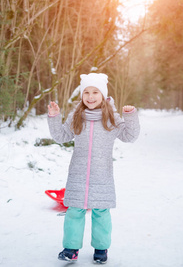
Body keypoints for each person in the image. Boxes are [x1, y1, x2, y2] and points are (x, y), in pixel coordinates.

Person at [47, 73, 140, 264]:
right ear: (82, 95)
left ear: (103, 94)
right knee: (74, 211)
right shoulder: (76, 116)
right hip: (78, 174)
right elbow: (61, 136)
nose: (90, 96)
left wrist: (130, 116)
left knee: (101, 212)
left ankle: (101, 249)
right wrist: (54, 117)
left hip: (102, 175)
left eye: (95, 92)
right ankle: (70, 249)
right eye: (86, 92)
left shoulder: (111, 118)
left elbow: (130, 136)